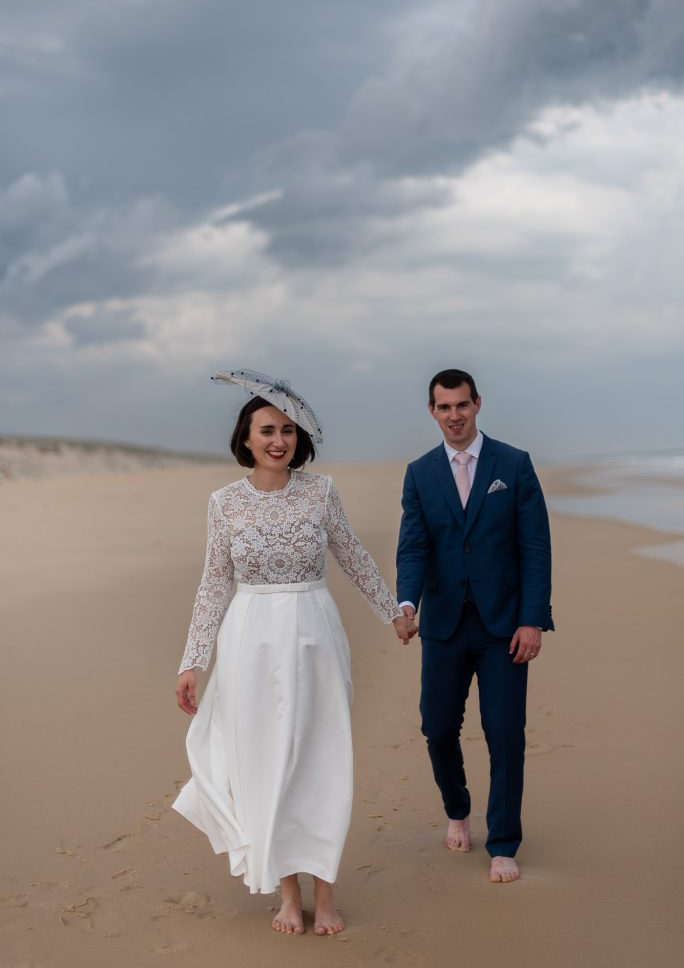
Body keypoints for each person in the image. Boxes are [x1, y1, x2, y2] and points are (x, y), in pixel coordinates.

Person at [174, 369, 415, 935]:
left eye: (287, 429)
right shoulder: (223, 503)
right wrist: (193, 660)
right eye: (266, 430)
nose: (277, 439)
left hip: (314, 634)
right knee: (264, 760)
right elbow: (214, 583)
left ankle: (324, 892)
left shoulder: (321, 491)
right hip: (248, 640)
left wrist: (393, 612)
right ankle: (287, 891)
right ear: (246, 438)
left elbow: (352, 555)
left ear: (299, 437)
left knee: (320, 758)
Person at [396, 368, 553, 883]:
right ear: (432, 411)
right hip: (443, 624)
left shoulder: (514, 464)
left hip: (503, 625)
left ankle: (504, 841)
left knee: (505, 733)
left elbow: (534, 548)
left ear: (477, 404)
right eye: (444, 407)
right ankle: (458, 808)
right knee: (437, 727)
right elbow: (414, 547)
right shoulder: (420, 474)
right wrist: (406, 603)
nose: (454, 416)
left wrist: (532, 619)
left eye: (462, 405)